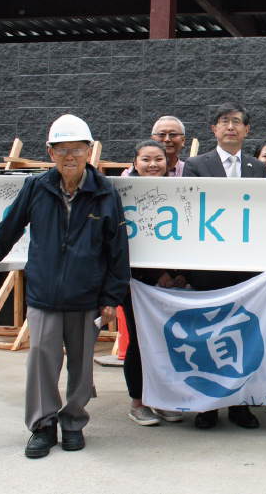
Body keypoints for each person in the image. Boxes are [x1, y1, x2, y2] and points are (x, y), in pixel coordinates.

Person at [0, 114, 130, 458]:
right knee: (41, 362)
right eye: (61, 149)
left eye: (77, 149)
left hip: (86, 297)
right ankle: (43, 426)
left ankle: (73, 424)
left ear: (89, 152)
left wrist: (112, 296)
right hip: (43, 295)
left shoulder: (104, 193)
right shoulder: (37, 187)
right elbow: (9, 230)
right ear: (50, 153)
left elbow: (118, 250)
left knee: (81, 367)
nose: (70, 156)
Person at [182, 103, 266, 430]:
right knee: (209, 336)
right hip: (209, 268)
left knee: (241, 336)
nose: (230, 127)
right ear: (214, 130)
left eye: (237, 122)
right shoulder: (195, 165)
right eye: (223, 122)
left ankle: (240, 405)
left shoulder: (258, 167)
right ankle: (208, 407)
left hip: (246, 269)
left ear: (247, 130)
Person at [122, 140, 187, 426]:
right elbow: (125, 243)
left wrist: (182, 274)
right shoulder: (122, 194)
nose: (152, 165)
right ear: (134, 164)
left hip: (173, 284)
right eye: (145, 159)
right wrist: (154, 274)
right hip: (136, 283)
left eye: (158, 159)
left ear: (168, 163)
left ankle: (164, 400)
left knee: (169, 342)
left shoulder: (181, 191)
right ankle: (138, 402)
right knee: (139, 341)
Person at [121, 116, 187, 177]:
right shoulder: (128, 176)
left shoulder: (190, 171)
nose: (167, 139)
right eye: (162, 134)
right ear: (153, 138)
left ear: (183, 140)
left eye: (173, 134)